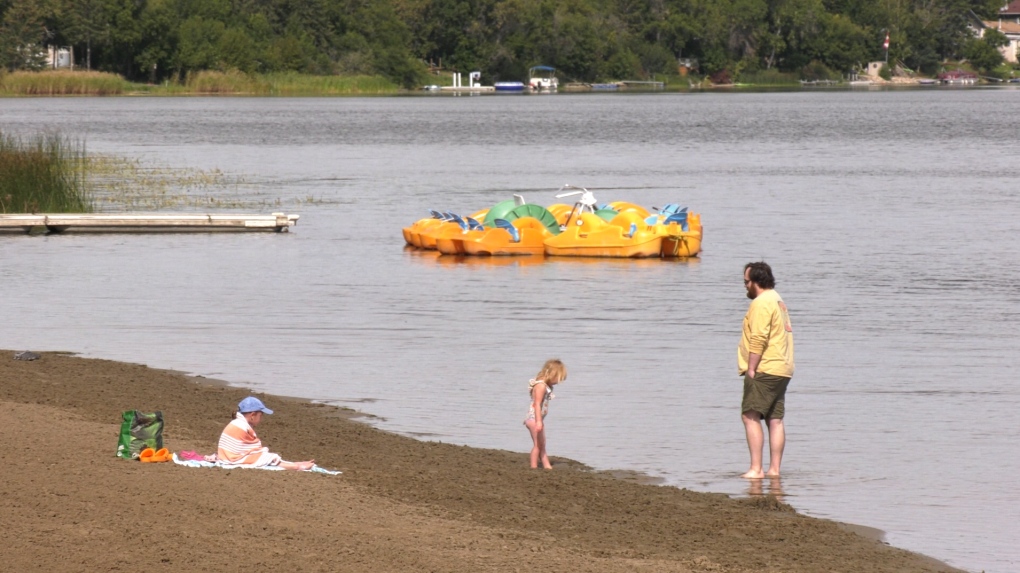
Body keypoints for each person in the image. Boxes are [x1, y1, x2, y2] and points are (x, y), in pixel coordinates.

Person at [738, 262, 794, 479]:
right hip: (783, 367)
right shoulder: (777, 299)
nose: (745, 286)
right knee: (775, 419)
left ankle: (756, 469)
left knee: (750, 415)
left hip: (766, 367)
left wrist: (751, 368)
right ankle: (774, 470)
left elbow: (759, 337)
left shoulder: (761, 303)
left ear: (756, 282)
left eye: (746, 282)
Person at [217, 396, 315, 471]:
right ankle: (296, 466)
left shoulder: (237, 423)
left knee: (266, 456)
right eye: (261, 415)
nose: (261, 418)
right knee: (267, 458)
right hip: (232, 459)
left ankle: (293, 464)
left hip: (226, 457)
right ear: (252, 415)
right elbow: (252, 449)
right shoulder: (242, 426)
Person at [523, 359, 567, 469]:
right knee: (538, 445)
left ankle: (547, 465)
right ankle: (533, 466)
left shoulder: (544, 385)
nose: (557, 382)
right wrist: (538, 422)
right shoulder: (541, 386)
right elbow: (537, 404)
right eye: (558, 378)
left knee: (542, 444)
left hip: (537, 419)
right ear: (552, 374)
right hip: (534, 419)